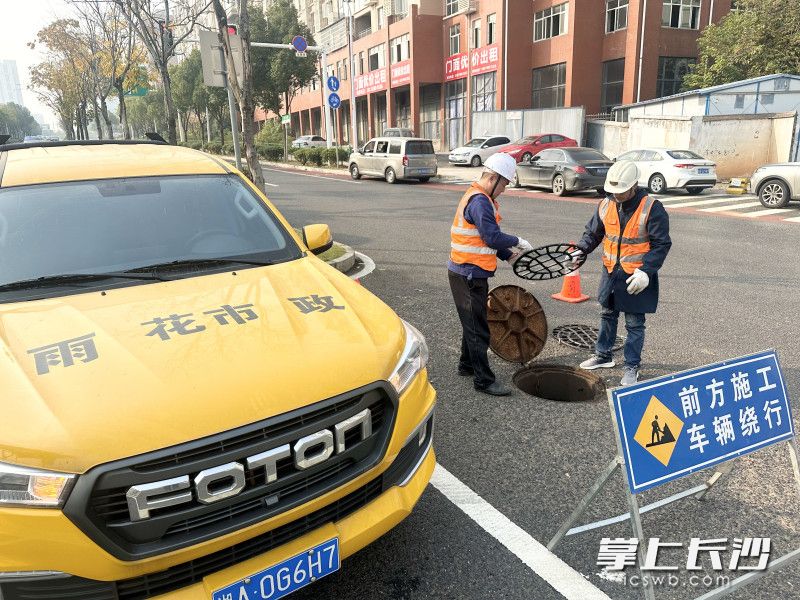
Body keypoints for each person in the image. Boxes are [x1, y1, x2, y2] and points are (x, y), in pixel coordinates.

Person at [570, 160, 672, 386]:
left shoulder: (651, 207)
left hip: (637, 276)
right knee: (607, 314)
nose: (616, 195)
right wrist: (580, 250)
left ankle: (631, 366)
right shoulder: (606, 204)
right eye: (613, 191)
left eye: (621, 191)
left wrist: (646, 271)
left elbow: (661, 244)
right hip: (611, 271)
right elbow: (593, 233)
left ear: (634, 186)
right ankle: (603, 355)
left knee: (634, 323)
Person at [448, 153, 532, 396]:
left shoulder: (479, 197)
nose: (504, 189)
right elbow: (492, 237)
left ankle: (466, 365)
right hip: (468, 274)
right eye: (504, 183)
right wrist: (517, 241)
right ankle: (484, 381)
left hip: (468, 272)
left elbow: (483, 240)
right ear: (493, 178)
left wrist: (508, 255)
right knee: (478, 329)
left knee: (472, 322)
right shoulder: (480, 201)